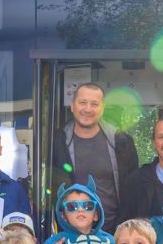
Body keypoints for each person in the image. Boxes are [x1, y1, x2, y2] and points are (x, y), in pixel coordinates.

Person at [51, 82, 140, 227]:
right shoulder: (57, 143)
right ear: (72, 105)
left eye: (94, 104)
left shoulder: (122, 142)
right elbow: (51, 192)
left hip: (114, 234)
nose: (88, 109)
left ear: (102, 108)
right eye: (82, 103)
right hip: (72, 235)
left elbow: (134, 192)